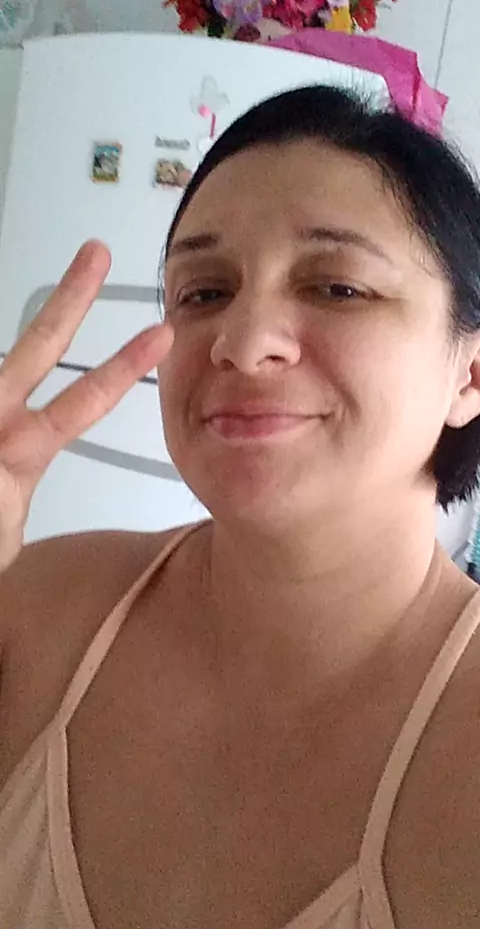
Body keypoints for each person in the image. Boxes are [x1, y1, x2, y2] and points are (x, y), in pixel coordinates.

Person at [0, 84, 480, 929]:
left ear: (469, 374)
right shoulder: (39, 605)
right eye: (204, 292)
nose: (243, 342)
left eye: (338, 288)